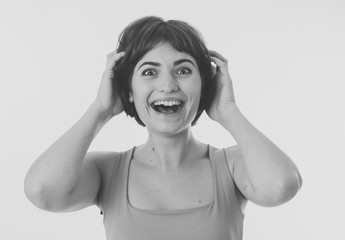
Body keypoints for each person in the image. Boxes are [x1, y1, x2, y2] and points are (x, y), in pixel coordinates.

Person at [24, 16, 302, 240]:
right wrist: (100, 110)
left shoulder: (231, 166)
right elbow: (42, 191)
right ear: (129, 91)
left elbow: (281, 186)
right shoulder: (108, 171)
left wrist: (229, 113)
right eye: (149, 72)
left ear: (205, 85)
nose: (167, 85)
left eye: (183, 70)